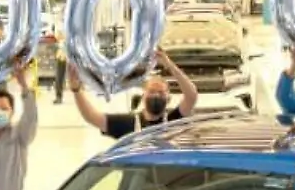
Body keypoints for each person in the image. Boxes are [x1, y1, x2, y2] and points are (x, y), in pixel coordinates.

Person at [71, 49, 199, 139]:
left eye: (161, 92)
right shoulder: (128, 124)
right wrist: (76, 90)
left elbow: (192, 95)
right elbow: (92, 117)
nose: (156, 95)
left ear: (169, 98)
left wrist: (169, 65)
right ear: (143, 96)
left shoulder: (174, 121)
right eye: (152, 91)